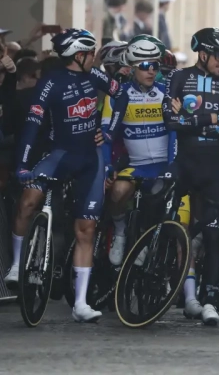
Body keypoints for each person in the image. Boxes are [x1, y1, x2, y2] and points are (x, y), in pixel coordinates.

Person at [12, 29, 122, 322]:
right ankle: (15, 264)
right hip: (59, 154)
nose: (94, 58)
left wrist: (108, 131)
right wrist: (22, 166)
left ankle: (81, 304)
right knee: (28, 199)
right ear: (79, 55)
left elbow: (121, 95)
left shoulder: (95, 76)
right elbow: (32, 126)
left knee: (85, 229)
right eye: (91, 53)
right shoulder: (50, 82)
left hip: (89, 159)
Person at [161, 27, 219, 325]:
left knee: (211, 233)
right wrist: (211, 120)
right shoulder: (179, 78)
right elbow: (170, 121)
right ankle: (170, 280)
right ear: (203, 54)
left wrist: (190, 120)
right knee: (159, 203)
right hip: (186, 162)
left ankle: (210, 299)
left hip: (218, 166)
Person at [100, 37, 175, 265]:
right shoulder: (117, 96)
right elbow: (106, 135)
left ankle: (146, 241)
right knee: (118, 192)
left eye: (155, 66)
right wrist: (107, 166)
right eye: (144, 66)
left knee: (157, 205)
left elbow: (175, 133)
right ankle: (121, 232)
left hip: (163, 165)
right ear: (132, 68)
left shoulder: (167, 92)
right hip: (137, 164)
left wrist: (173, 165)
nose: (151, 71)